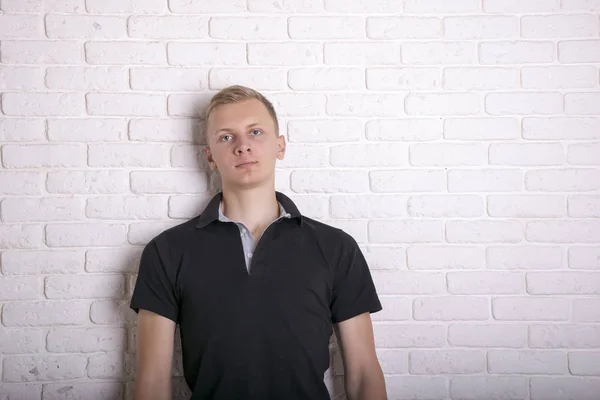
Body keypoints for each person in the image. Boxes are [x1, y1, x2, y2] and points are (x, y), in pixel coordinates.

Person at [129, 85, 387, 400]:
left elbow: (363, 375)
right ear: (210, 155)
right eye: (226, 137)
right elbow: (153, 383)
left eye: (255, 132)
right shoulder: (166, 252)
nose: (243, 146)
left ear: (280, 146)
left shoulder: (336, 248)